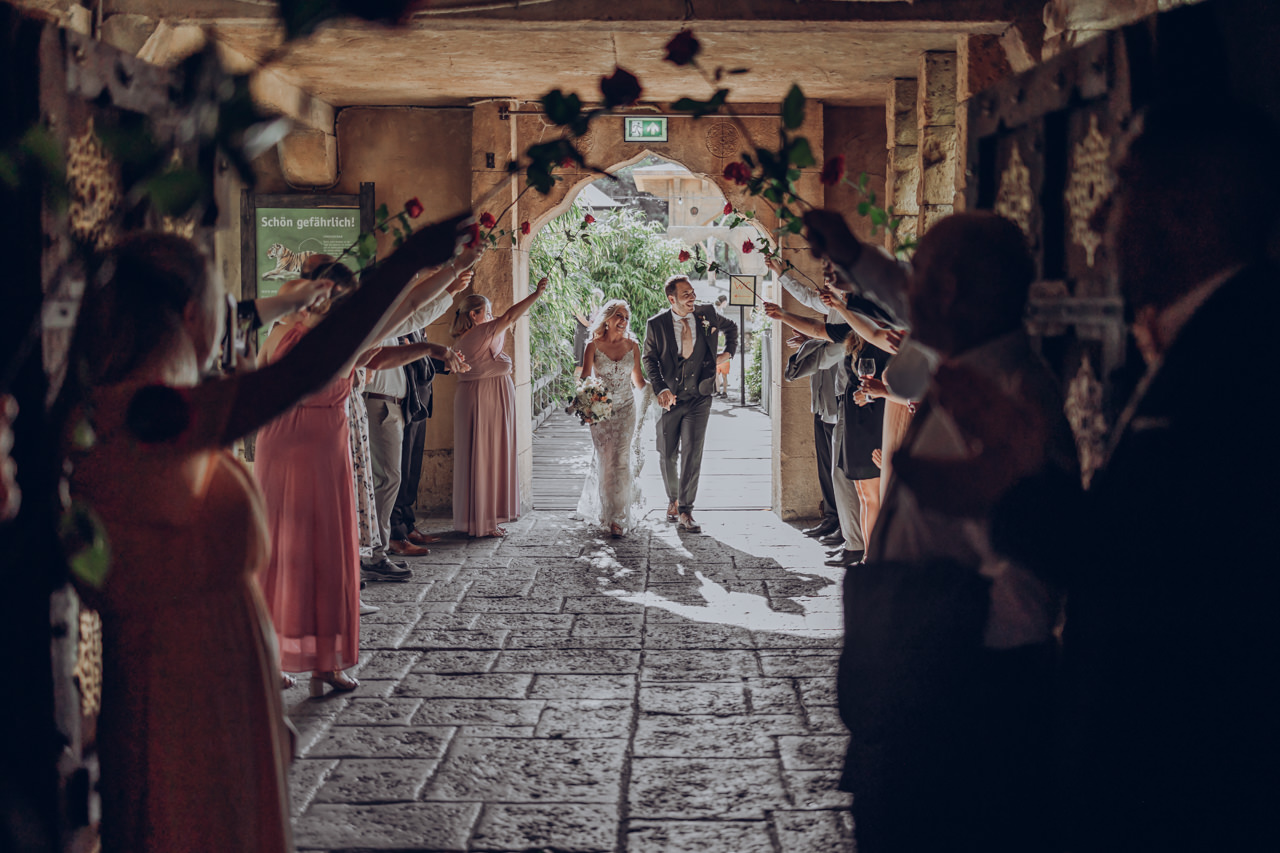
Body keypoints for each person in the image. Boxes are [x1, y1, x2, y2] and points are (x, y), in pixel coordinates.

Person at [936, 103, 1280, 853]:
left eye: (1119, 186)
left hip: (1184, 766)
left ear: (1181, 208)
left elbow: (1161, 567)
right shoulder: (1223, 331)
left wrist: (1017, 480)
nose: (1095, 216)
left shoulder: (1242, 358)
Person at [63, 218, 462, 853]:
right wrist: (405, 260)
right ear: (194, 316)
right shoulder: (147, 415)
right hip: (185, 689)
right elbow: (300, 372)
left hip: (209, 673)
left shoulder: (138, 405)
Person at [824, 212, 1077, 853]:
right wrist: (852, 252)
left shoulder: (1012, 397)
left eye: (922, 275)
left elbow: (1026, 598)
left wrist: (916, 643)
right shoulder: (967, 365)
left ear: (950, 293)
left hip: (960, 716)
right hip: (918, 700)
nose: (907, 288)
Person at [257, 251, 478, 695]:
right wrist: (453, 269)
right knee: (325, 553)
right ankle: (325, 663)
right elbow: (411, 307)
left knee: (279, 551)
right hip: (317, 448)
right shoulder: (343, 337)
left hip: (276, 444)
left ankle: (269, 659)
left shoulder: (279, 330)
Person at [361, 263, 474, 581]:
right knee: (386, 481)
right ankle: (378, 550)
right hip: (379, 406)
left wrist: (446, 285)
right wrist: (446, 281)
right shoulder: (375, 319)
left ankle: (377, 549)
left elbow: (415, 316)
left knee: (389, 481)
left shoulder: (388, 320)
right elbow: (412, 317)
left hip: (394, 406)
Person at [450, 277, 549, 537]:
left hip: (481, 397)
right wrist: (536, 293)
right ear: (474, 315)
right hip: (484, 399)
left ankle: (481, 518)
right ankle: (484, 522)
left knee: (480, 456)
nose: (493, 317)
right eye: (488, 312)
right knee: (484, 455)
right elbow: (511, 316)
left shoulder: (469, 338)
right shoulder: (480, 333)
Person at [641, 275, 738, 533]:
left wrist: (729, 352)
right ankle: (672, 498)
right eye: (686, 294)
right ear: (671, 299)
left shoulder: (706, 313)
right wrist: (660, 387)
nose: (692, 297)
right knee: (667, 453)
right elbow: (648, 358)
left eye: (693, 292)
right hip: (669, 399)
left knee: (693, 452)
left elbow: (732, 328)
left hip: (700, 396)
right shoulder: (657, 324)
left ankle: (686, 510)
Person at [576, 299, 647, 538]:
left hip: (627, 407)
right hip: (601, 411)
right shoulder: (593, 346)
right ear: (607, 319)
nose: (623, 321)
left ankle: (619, 517)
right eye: (619, 316)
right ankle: (606, 513)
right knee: (606, 460)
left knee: (621, 459)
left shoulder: (633, 346)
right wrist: (587, 408)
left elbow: (638, 381)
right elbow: (585, 379)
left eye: (626, 317)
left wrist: (658, 393)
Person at [713, 294, 732, 397]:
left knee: (718, 373)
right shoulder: (718, 312)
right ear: (724, 302)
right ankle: (721, 390)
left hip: (718, 350)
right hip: (721, 351)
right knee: (722, 374)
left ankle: (719, 390)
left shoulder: (719, 311)